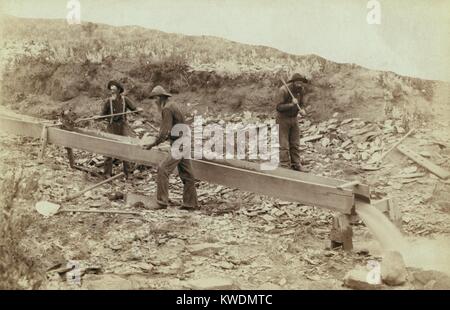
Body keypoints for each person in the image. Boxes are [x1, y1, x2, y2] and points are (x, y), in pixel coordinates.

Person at [142, 85, 198, 211]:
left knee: (163, 168)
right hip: (185, 140)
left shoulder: (166, 109)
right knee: (187, 174)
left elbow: (164, 132)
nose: (154, 102)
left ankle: (161, 202)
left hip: (180, 143)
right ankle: (191, 204)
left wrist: (152, 144)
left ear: (159, 97)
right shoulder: (172, 105)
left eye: (154, 99)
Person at [101, 80, 138, 178]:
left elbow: (135, 109)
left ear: (119, 90)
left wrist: (139, 111)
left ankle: (128, 173)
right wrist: (98, 117)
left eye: (114, 90)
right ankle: (107, 173)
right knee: (109, 148)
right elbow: (102, 115)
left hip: (122, 125)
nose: (112, 92)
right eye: (111, 90)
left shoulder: (125, 100)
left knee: (125, 148)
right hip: (112, 126)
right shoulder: (108, 102)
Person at [275, 73, 309, 172]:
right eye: (298, 83)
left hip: (294, 119)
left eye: (301, 83)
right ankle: (285, 166)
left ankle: (296, 164)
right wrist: (291, 104)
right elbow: (279, 107)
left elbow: (301, 104)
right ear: (293, 82)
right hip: (282, 120)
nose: (300, 85)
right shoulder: (283, 90)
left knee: (295, 143)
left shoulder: (301, 90)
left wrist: (302, 110)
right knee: (284, 145)